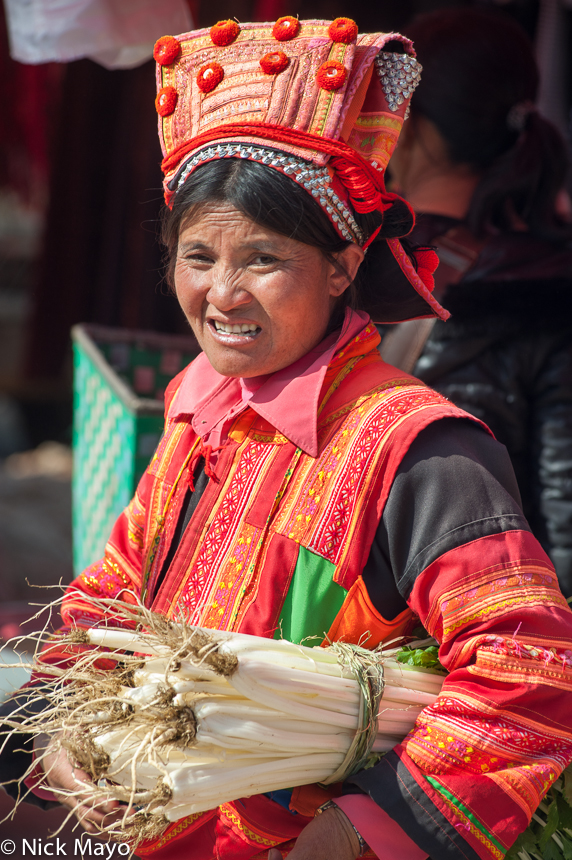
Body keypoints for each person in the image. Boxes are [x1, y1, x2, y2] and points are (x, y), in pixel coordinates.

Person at [2, 16, 572, 860]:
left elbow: (528, 677)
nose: (222, 294)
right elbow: (120, 584)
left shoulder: (419, 451)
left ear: (343, 264)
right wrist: (60, 732)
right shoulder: (202, 411)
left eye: (263, 259)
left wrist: (353, 833)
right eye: (198, 256)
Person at [387, 8, 572, 598]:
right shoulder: (552, 277)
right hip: (500, 629)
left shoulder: (349, 264)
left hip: (366, 621)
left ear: (406, 125)